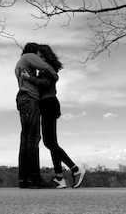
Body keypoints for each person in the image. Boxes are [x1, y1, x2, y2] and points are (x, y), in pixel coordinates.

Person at [21, 44, 86, 189]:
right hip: (46, 105)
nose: (39, 59)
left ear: (46, 56)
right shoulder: (45, 69)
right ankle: (59, 177)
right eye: (38, 56)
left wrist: (29, 78)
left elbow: (44, 84)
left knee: (50, 142)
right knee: (51, 142)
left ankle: (75, 169)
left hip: (49, 104)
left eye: (41, 56)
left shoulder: (48, 69)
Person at [14, 42, 57, 189]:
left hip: (22, 100)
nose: (38, 55)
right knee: (33, 138)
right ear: (33, 51)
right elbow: (47, 68)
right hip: (30, 99)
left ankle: (23, 179)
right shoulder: (29, 56)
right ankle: (34, 179)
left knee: (25, 139)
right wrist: (54, 75)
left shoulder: (20, 62)